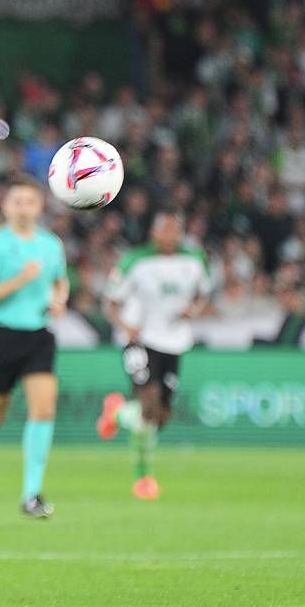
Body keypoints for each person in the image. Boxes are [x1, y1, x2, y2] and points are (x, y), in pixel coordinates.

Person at [0, 175, 69, 518]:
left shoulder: (51, 246)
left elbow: (60, 281)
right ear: (5, 207)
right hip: (3, 335)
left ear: (39, 207)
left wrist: (60, 300)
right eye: (17, 201)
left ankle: (31, 495)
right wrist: (20, 280)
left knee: (44, 408)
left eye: (30, 202)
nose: (23, 208)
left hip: (38, 335)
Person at [98, 210, 211, 500]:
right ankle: (143, 479)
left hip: (174, 341)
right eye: (165, 229)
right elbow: (110, 303)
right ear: (154, 232)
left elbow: (203, 294)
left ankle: (117, 411)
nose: (170, 235)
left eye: (176, 230)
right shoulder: (135, 261)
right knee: (148, 407)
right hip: (139, 339)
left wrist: (194, 310)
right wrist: (126, 326)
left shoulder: (194, 261)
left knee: (160, 417)